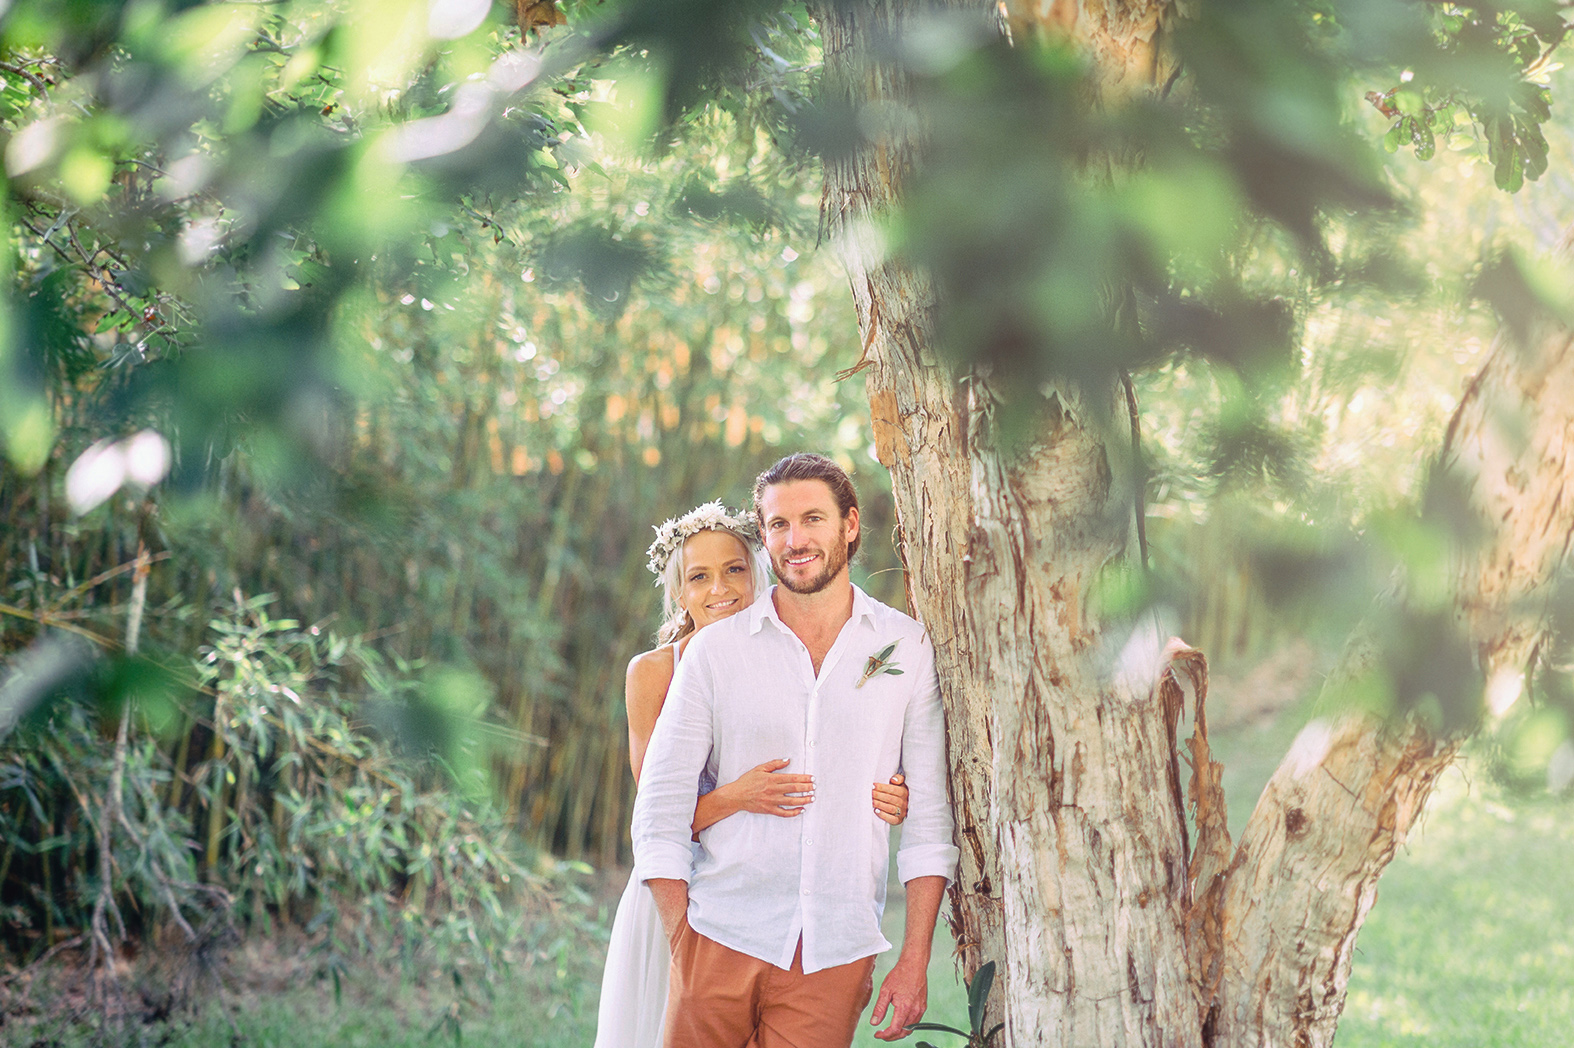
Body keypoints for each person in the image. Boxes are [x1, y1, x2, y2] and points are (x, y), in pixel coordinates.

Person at [633, 454, 959, 1048]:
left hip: (836, 952)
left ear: (850, 525)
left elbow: (931, 821)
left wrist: (915, 959)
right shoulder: (714, 653)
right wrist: (682, 940)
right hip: (719, 936)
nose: (795, 540)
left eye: (812, 519)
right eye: (779, 524)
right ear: (764, 537)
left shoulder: (905, 646)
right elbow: (659, 807)